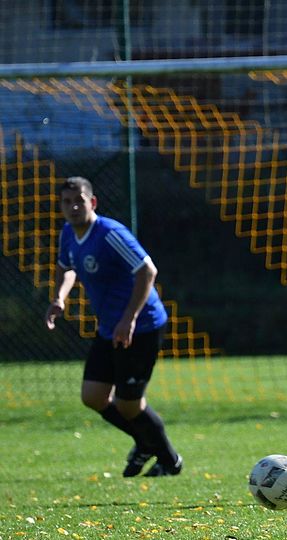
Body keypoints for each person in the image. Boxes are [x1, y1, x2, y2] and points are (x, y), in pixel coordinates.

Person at [44, 176, 182, 477]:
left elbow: (148, 271)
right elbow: (66, 267)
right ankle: (145, 442)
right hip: (110, 328)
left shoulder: (110, 233)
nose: (73, 207)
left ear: (92, 202)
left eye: (79, 201)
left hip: (142, 326)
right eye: (67, 202)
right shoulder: (68, 233)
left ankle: (170, 461)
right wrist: (59, 298)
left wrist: (129, 318)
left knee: (128, 405)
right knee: (93, 396)